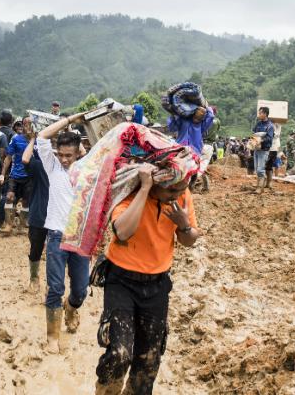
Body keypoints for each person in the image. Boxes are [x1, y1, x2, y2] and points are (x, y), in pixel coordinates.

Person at [95, 164, 200, 395]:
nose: (177, 195)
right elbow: (122, 232)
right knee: (119, 354)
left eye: (181, 189)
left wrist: (184, 225)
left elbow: (189, 240)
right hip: (121, 281)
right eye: (171, 191)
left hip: (157, 284)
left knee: (149, 360)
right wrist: (144, 190)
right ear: (155, 183)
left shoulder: (181, 194)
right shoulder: (130, 192)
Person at [37, 112, 88, 354]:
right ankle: (52, 338)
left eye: (69, 155)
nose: (64, 159)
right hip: (57, 235)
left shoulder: (86, 170)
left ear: (78, 153)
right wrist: (70, 120)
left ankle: (71, 307)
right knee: (55, 287)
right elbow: (42, 136)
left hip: (80, 237)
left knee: (81, 290)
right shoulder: (53, 167)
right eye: (61, 154)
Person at [20, 118, 49, 293]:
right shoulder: (40, 166)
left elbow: (81, 153)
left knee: (56, 252)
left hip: (58, 216)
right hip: (39, 214)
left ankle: (51, 283)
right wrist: (33, 139)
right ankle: (34, 277)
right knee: (36, 247)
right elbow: (25, 159)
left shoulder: (66, 168)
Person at [1, 119, 33, 233]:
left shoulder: (38, 141)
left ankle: (22, 226)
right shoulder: (16, 139)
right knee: (9, 197)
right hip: (15, 175)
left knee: (26, 201)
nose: (27, 127)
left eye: (30, 124)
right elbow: (8, 157)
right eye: (25, 124)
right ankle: (8, 224)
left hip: (30, 177)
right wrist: (2, 174)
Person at [252, 107, 274, 192]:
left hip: (264, 149)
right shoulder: (258, 124)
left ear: (265, 114)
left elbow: (269, 138)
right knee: (256, 168)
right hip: (256, 148)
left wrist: (261, 140)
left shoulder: (270, 126)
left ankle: (260, 187)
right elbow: (254, 132)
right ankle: (259, 184)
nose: (259, 115)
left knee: (260, 169)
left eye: (260, 113)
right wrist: (253, 139)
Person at [264, 123, 282, 189]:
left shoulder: (278, 125)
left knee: (269, 165)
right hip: (266, 148)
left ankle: (269, 183)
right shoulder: (266, 123)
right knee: (264, 166)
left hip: (273, 148)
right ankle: (265, 182)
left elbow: (276, 135)